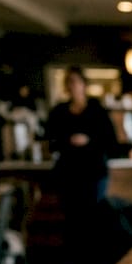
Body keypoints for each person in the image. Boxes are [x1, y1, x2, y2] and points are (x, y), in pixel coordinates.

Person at [45, 66, 124, 254]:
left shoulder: (97, 111)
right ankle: (75, 257)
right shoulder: (59, 112)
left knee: (94, 214)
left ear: (84, 84)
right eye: (69, 82)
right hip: (68, 172)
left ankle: (95, 255)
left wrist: (89, 141)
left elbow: (111, 142)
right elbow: (49, 141)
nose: (73, 86)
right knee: (72, 218)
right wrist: (67, 141)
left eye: (76, 82)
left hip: (93, 171)